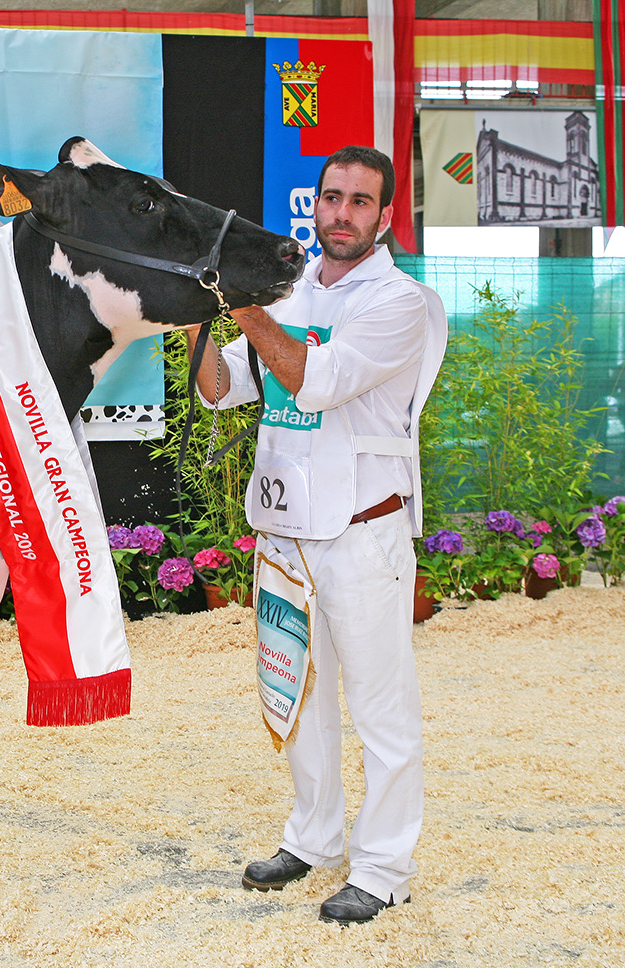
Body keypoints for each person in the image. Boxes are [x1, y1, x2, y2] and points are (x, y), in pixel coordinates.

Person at [185, 145, 446, 925]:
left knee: (380, 706)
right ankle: (313, 836)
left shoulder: (398, 302)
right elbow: (224, 388)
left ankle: (385, 867)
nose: (341, 213)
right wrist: (198, 312)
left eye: (360, 202)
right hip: (285, 532)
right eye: (332, 197)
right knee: (294, 690)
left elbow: (312, 378)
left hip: (364, 534)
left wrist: (243, 306)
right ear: (316, 204)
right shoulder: (287, 292)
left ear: (385, 217)